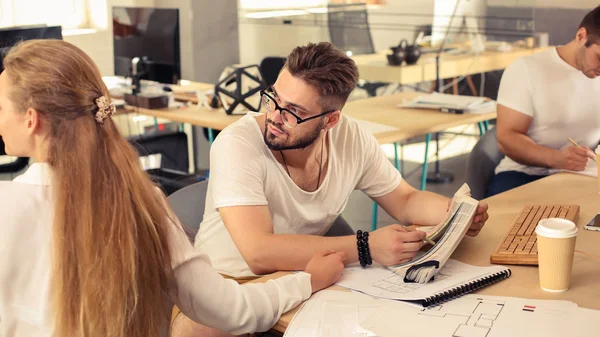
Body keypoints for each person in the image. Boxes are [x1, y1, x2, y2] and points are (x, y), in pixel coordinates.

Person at [0, 39, 346, 337]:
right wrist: (306, 281)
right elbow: (230, 309)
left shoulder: (8, 207)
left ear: (31, 119)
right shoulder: (142, 201)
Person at [173, 42, 489, 336]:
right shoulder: (237, 144)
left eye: (293, 112)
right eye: (272, 99)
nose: (274, 117)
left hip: (301, 282)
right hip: (221, 298)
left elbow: (405, 199)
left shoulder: (351, 138)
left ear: (330, 120)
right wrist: (366, 246)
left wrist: (454, 213)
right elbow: (258, 252)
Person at [488, 5, 600, 197]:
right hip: (525, 175)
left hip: (583, 175)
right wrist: (557, 159)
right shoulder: (526, 70)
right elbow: (507, 138)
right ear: (581, 36)